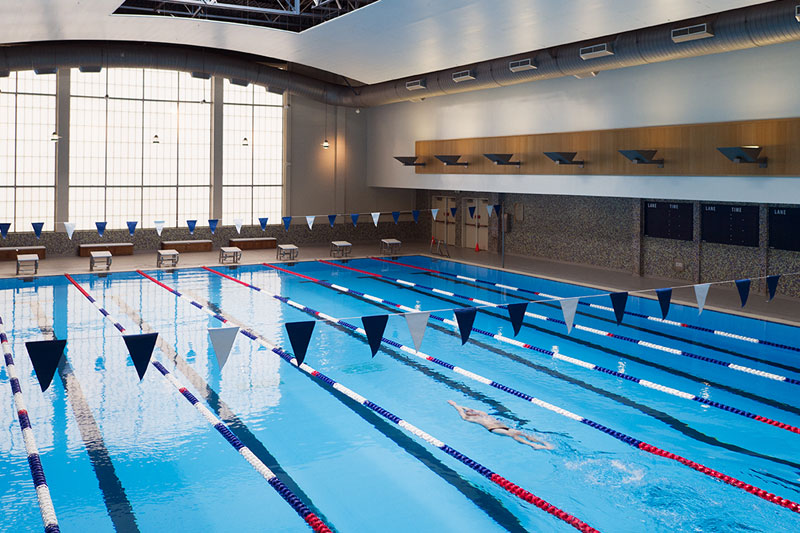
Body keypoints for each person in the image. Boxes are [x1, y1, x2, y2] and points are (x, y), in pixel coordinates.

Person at [448, 400, 553, 450]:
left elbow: (468, 408)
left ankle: (542, 443)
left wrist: (464, 406)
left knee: (522, 433)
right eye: (469, 411)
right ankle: (533, 445)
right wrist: (455, 405)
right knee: (513, 434)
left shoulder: (481, 413)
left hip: (503, 426)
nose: (471, 410)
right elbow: (460, 411)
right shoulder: (469, 418)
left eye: (471, 409)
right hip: (494, 429)